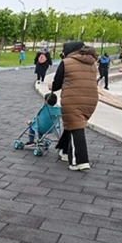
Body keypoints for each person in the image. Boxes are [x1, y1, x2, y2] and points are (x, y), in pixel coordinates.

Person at [50, 41, 98, 171]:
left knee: (76, 128)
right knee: (72, 124)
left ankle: (80, 161)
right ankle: (65, 152)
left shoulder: (66, 62)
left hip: (73, 100)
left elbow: (57, 83)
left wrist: (52, 87)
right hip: (91, 100)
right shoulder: (92, 63)